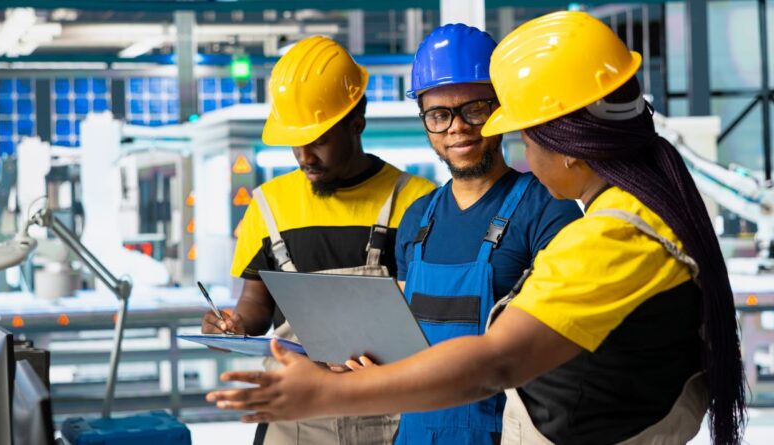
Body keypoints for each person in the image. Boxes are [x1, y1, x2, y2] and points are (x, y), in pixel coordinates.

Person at [206, 11, 746, 445]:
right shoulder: (644, 214)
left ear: (568, 139)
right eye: (439, 114)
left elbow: (498, 360)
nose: (525, 152)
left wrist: (322, 395)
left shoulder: (607, 235)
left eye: (516, 130)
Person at [201, 35, 436, 445]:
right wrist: (233, 325)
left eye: (320, 139)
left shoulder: (417, 201)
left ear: (356, 122)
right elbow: (255, 305)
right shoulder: (269, 205)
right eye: (296, 141)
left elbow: (432, 313)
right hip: (295, 416)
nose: (305, 155)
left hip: (387, 409)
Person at [363, 23, 581, 445]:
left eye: (475, 108)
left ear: (502, 110)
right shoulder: (417, 218)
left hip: (506, 434)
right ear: (425, 121)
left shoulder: (548, 210)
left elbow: (561, 348)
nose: (457, 127)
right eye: (439, 115)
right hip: (416, 432)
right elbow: (405, 341)